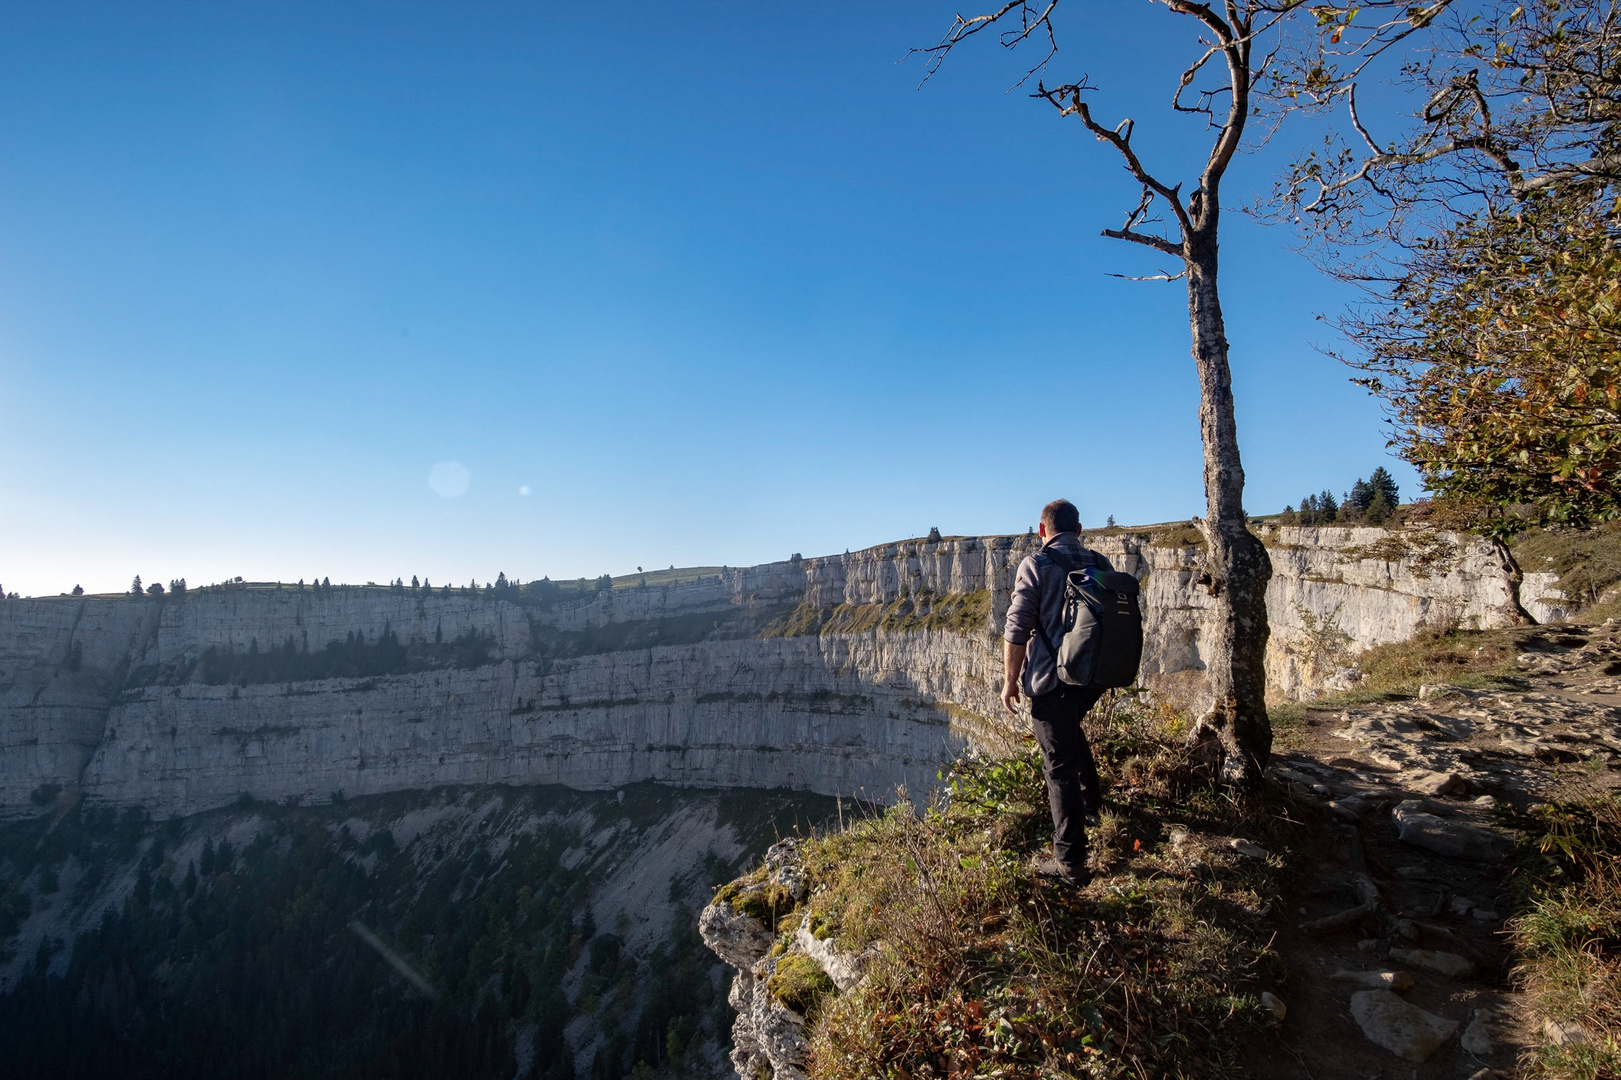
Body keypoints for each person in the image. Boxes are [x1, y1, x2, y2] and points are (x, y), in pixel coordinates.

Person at [1001, 498, 1112, 888]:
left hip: (1053, 680)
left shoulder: (1037, 565)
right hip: (1095, 678)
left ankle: (1070, 861)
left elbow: (1016, 628)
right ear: (1079, 531)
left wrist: (1010, 679)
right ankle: (1096, 807)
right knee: (1069, 732)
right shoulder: (1100, 564)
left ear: (1041, 530)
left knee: (1057, 763)